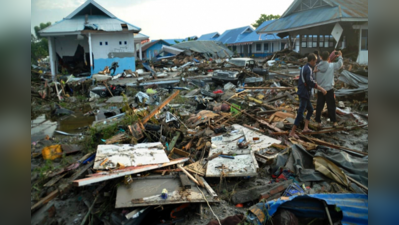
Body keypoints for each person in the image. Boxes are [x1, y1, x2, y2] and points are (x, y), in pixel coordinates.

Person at [289, 53, 327, 138]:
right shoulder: (308, 69)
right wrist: (321, 89)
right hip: (304, 93)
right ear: (312, 60)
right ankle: (292, 132)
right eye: (315, 61)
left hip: (303, 92)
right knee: (301, 112)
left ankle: (305, 128)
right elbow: (310, 82)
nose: (316, 63)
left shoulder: (304, 67)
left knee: (310, 109)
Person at [314, 50, 343, 127]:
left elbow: (314, 78)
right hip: (329, 89)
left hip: (320, 89)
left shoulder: (317, 67)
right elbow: (340, 64)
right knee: (331, 106)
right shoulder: (331, 66)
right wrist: (340, 56)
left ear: (321, 57)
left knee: (319, 106)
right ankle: (334, 122)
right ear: (328, 58)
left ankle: (318, 122)